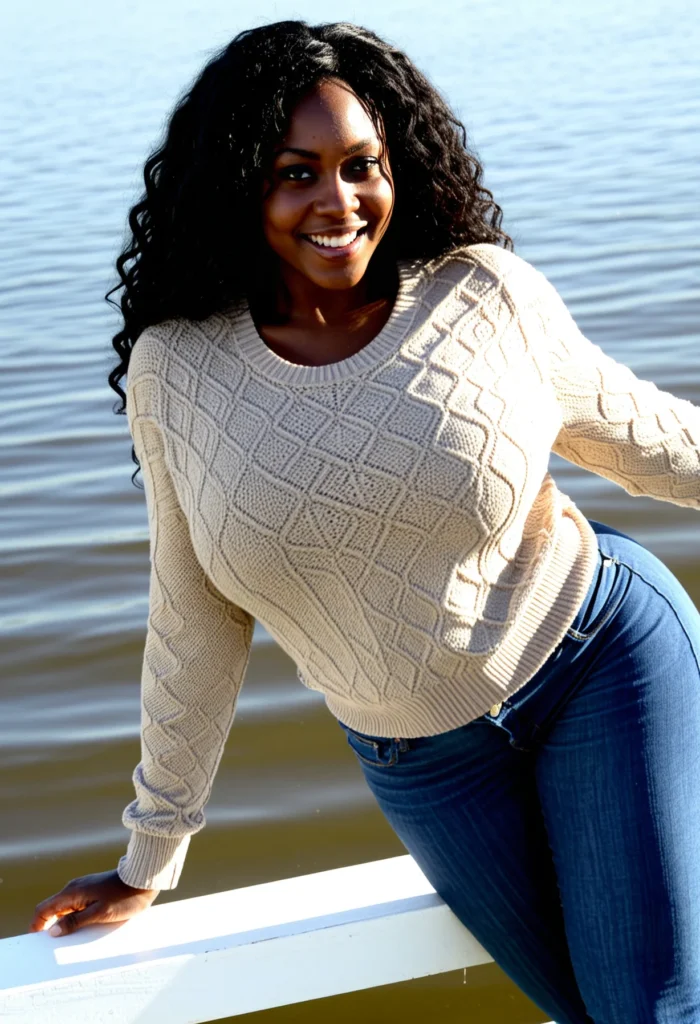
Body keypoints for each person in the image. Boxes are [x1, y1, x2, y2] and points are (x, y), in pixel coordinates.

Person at [28, 20, 700, 1024]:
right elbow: (192, 616)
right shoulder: (176, 372)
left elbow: (647, 439)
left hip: (598, 661)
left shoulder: (483, 296)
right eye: (296, 172)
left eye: (361, 166)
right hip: (423, 761)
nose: (337, 202)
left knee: (644, 1012)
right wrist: (150, 853)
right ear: (239, 185)